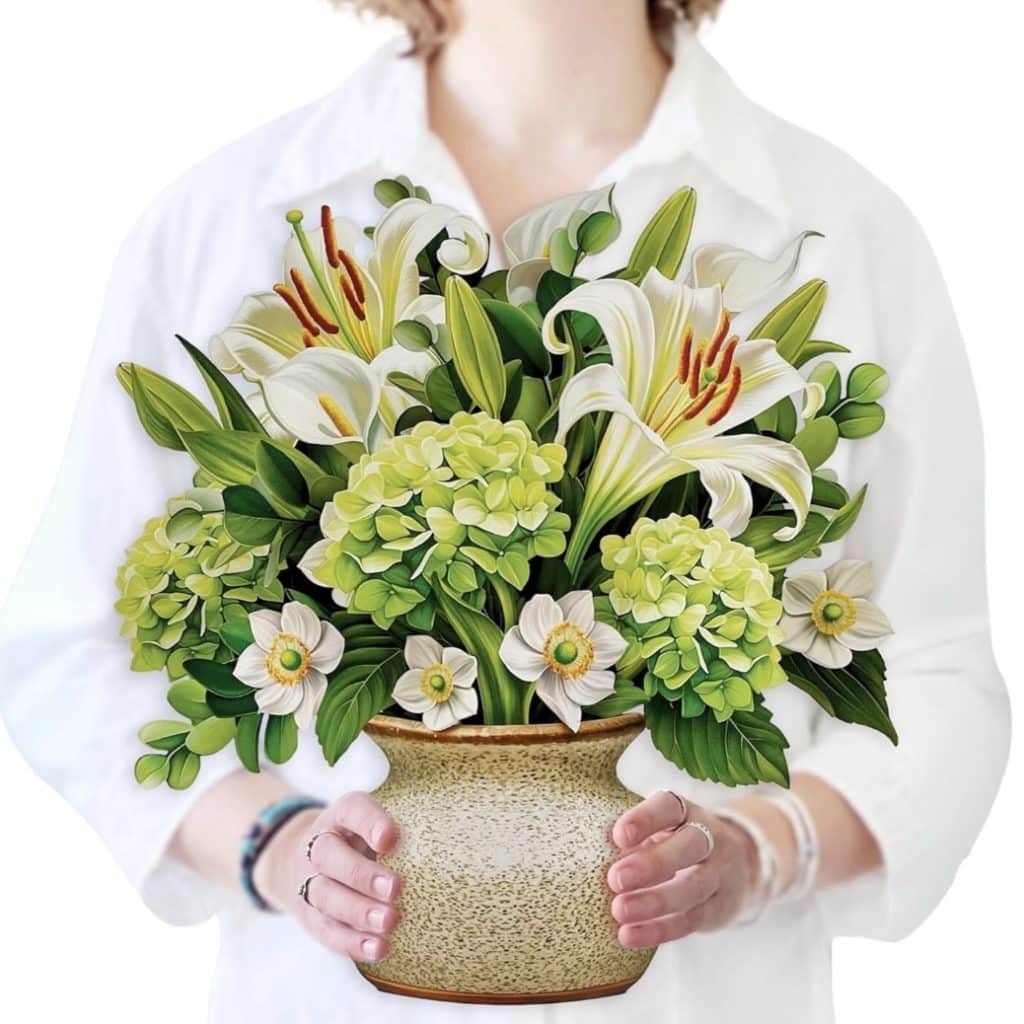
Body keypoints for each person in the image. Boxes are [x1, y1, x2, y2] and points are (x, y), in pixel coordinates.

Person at [0, 1, 1011, 1022]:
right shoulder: (229, 218)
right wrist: (273, 845)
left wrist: (759, 848)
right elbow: (69, 647)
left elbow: (939, 675)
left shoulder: (838, 226)